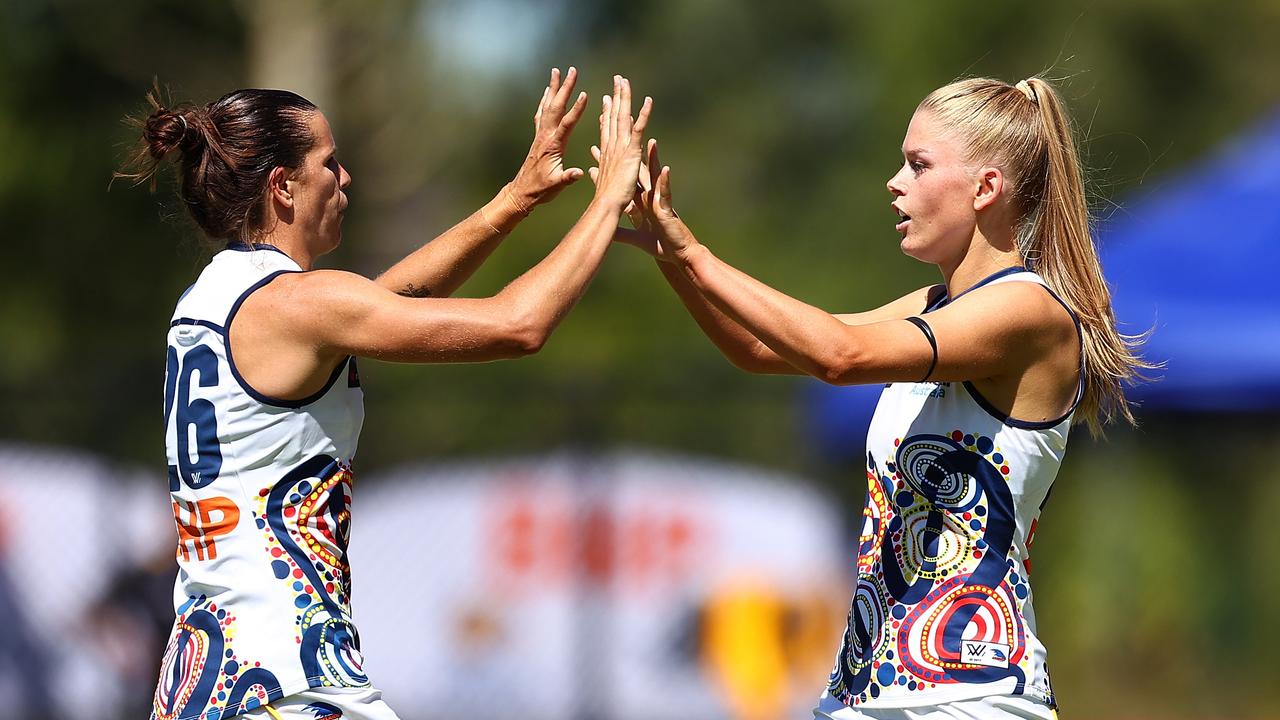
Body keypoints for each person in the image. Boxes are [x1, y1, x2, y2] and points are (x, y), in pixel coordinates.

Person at [606, 77, 1152, 719]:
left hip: (970, 696)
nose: (896, 182)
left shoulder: (1028, 309)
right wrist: (671, 252)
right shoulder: (935, 306)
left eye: (919, 166)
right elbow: (757, 350)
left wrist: (695, 253)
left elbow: (841, 355)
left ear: (985, 188)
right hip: (863, 693)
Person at [119, 70, 651, 720]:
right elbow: (519, 325)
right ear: (283, 186)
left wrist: (515, 198)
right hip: (288, 683)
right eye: (329, 162)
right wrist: (606, 203)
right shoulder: (297, 303)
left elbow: (390, 304)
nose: (345, 180)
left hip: (201, 686)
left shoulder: (209, 301)